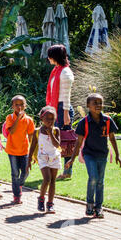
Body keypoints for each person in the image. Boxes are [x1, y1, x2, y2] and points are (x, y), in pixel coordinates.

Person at [65, 93, 121, 218]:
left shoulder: (107, 120)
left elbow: (112, 138)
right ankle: (90, 204)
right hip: (89, 154)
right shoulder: (84, 122)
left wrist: (117, 155)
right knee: (93, 178)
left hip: (102, 155)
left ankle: (99, 207)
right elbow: (78, 142)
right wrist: (72, 159)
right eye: (95, 103)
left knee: (100, 181)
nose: (98, 105)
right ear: (88, 105)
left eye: (100, 102)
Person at [45, 45, 75, 180]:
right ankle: (57, 170)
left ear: (55, 56)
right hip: (56, 108)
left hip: (63, 109)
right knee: (56, 139)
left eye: (50, 55)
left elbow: (66, 96)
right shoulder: (56, 70)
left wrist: (66, 113)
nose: (48, 58)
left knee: (65, 141)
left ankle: (67, 172)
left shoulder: (65, 73)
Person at [27, 106, 61, 213]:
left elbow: (57, 145)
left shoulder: (56, 130)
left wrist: (51, 133)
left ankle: (50, 204)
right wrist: (28, 160)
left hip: (54, 157)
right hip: (42, 158)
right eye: (47, 119)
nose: (50, 121)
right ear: (41, 119)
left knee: (53, 181)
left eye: (52, 119)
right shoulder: (37, 131)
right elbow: (32, 146)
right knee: (47, 179)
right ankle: (41, 198)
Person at [4, 95, 35, 204]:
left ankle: (19, 185)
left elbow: (31, 136)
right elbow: (11, 131)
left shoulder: (29, 120)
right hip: (12, 151)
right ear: (12, 106)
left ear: (25, 106)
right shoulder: (10, 118)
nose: (19, 107)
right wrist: (18, 118)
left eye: (21, 104)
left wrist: (34, 152)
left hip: (24, 150)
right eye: (16, 105)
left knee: (26, 171)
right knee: (15, 173)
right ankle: (17, 195)